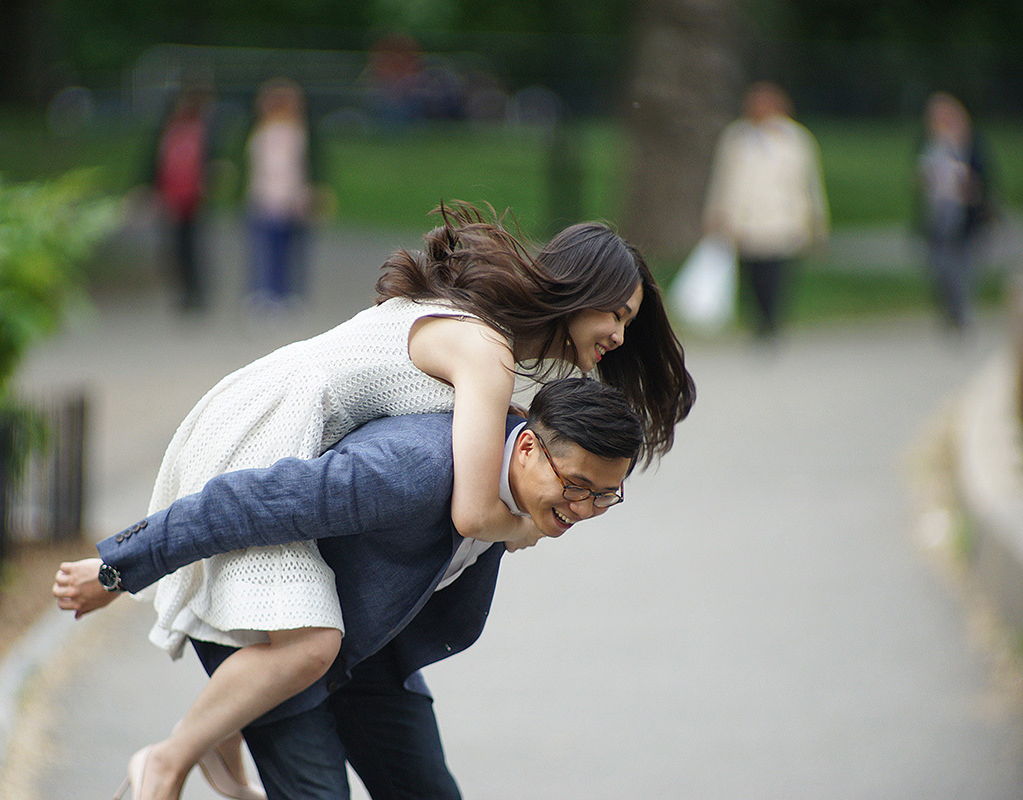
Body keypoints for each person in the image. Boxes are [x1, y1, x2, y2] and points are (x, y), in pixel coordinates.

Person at [60, 203, 694, 800]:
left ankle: (219, 729)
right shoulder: (488, 354)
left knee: (308, 646)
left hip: (293, 448)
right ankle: (170, 757)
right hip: (263, 435)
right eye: (617, 314)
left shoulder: (493, 345)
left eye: (629, 324)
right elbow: (472, 512)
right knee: (310, 645)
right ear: (581, 291)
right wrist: (116, 570)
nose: (618, 334)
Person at [54, 378, 644, 799]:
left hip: (368, 651)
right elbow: (247, 501)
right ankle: (183, 750)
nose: (583, 508)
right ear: (524, 447)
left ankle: (217, 732)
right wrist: (117, 569)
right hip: (277, 635)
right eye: (577, 486)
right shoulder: (410, 469)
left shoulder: (520, 494)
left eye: (604, 497)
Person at [703, 81, 830, 339]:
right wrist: (715, 214)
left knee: (776, 273)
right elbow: (721, 179)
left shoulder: (796, 139)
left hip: (781, 220)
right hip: (746, 220)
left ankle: (772, 320)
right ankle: (759, 318)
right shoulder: (736, 138)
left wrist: (817, 222)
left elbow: (810, 183)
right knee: (752, 274)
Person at [914, 92, 996, 332]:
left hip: (967, 217)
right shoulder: (929, 144)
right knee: (940, 267)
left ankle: (961, 314)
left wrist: (974, 188)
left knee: (964, 268)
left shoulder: (972, 143)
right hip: (938, 216)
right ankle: (950, 310)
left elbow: (985, 178)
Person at [243, 78, 322, 311]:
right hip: (263, 199)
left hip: (292, 202)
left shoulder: (301, 133)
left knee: (291, 253)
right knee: (263, 252)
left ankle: (289, 295)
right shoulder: (259, 132)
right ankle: (263, 294)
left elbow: (308, 168)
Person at [146, 80, 219, 313]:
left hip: (194, 197)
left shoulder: (201, 129)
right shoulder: (169, 129)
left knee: (193, 246)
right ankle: (184, 291)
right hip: (172, 195)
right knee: (175, 247)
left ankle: (196, 292)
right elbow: (155, 162)